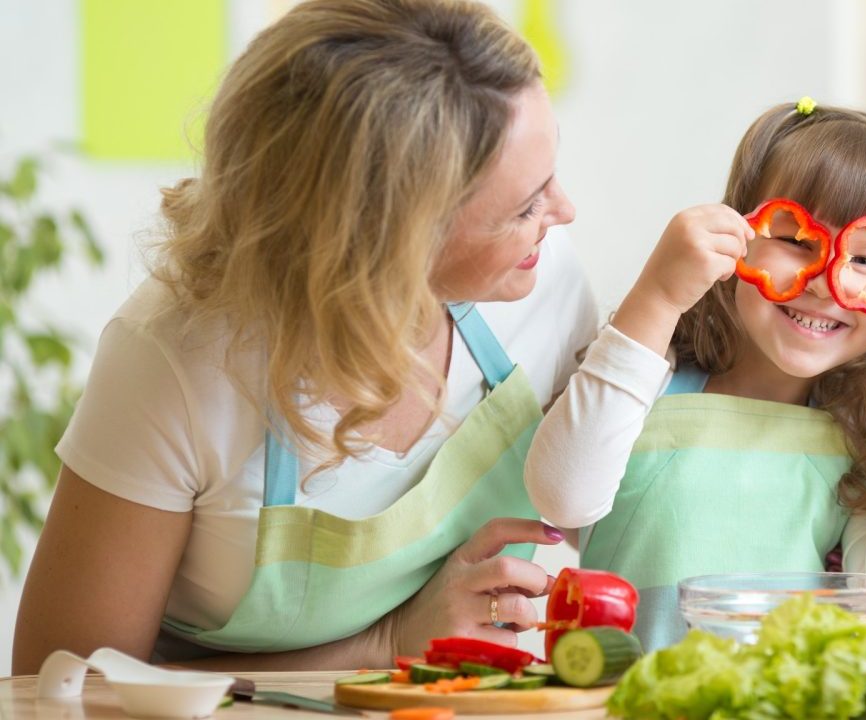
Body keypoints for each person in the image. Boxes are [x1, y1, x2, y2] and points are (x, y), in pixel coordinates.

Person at [13, 0, 597, 674]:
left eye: (549, 177)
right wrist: (384, 646)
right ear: (387, 242)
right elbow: (56, 686)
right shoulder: (177, 361)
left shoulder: (541, 278)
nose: (563, 213)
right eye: (524, 207)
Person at [525, 101, 866, 649]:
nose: (826, 283)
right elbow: (561, 499)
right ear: (736, 236)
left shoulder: (862, 440)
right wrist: (657, 296)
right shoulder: (649, 380)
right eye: (798, 242)